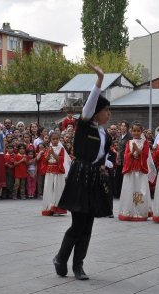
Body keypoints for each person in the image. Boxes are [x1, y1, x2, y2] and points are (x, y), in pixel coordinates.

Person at [54, 64, 113, 280]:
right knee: (77, 223)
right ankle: (61, 258)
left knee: (88, 225)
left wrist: (105, 168)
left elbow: (103, 156)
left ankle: (78, 265)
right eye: (106, 110)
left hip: (94, 179)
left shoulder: (107, 135)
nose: (109, 114)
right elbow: (89, 104)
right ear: (97, 112)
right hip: (80, 176)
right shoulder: (85, 124)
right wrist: (100, 79)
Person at [118, 122, 153, 221]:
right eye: (134, 131)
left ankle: (140, 211)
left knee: (141, 189)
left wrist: (137, 149)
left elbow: (145, 155)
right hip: (131, 170)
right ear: (131, 131)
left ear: (141, 132)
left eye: (138, 131)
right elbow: (125, 156)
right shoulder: (129, 142)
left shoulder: (145, 143)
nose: (136, 133)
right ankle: (128, 211)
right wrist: (132, 153)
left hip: (140, 170)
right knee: (130, 189)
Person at [41, 133, 68, 216]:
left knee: (57, 189)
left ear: (59, 139)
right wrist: (49, 153)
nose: (55, 140)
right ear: (50, 140)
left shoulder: (61, 149)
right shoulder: (47, 149)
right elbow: (45, 161)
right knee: (49, 188)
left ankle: (57, 208)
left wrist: (53, 153)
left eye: (57, 139)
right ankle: (49, 207)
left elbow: (60, 160)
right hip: (49, 171)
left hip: (58, 171)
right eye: (53, 139)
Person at [114, 120, 132, 198]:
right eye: (122, 126)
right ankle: (117, 193)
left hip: (126, 159)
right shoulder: (120, 136)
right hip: (120, 159)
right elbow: (118, 148)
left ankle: (125, 194)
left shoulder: (129, 137)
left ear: (127, 128)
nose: (123, 127)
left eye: (125, 126)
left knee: (126, 177)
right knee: (118, 176)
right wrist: (117, 156)